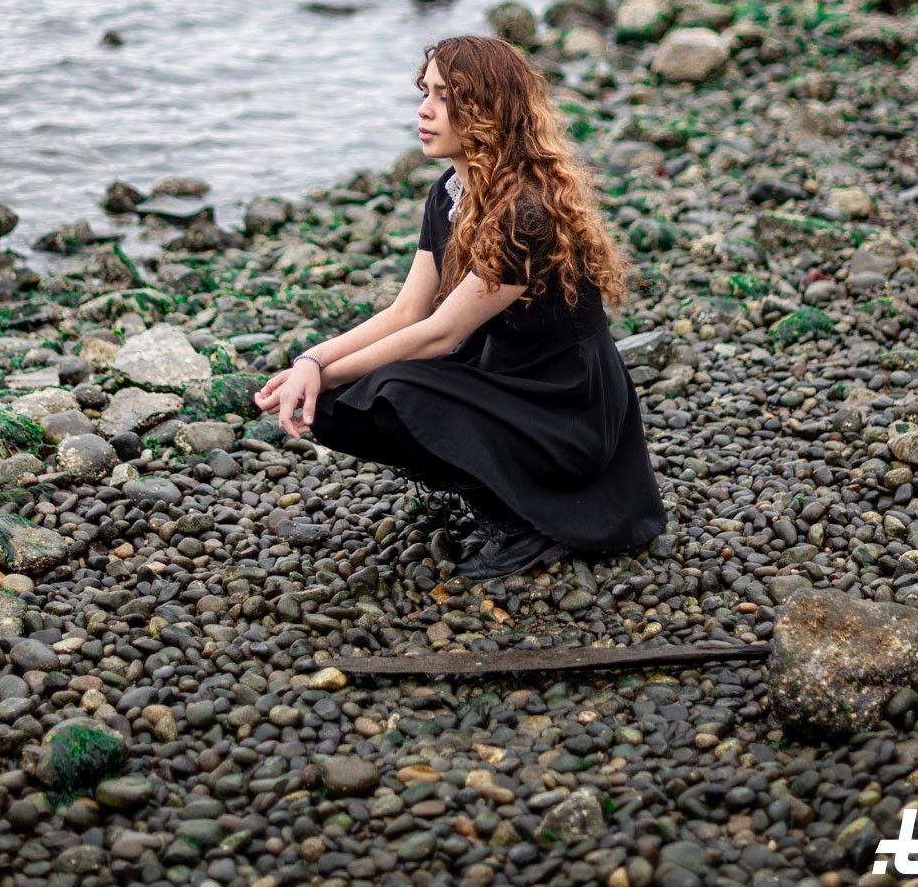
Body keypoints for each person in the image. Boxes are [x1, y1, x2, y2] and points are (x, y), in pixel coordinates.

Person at [254, 35, 668, 581]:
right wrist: (311, 364)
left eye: (445, 97)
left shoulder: (527, 214)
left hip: (564, 408)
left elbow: (440, 334)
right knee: (332, 402)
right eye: (424, 92)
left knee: (391, 388)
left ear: (489, 111)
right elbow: (407, 312)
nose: (424, 111)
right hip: (505, 376)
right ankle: (496, 490)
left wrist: (324, 375)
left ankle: (525, 521)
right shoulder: (452, 192)